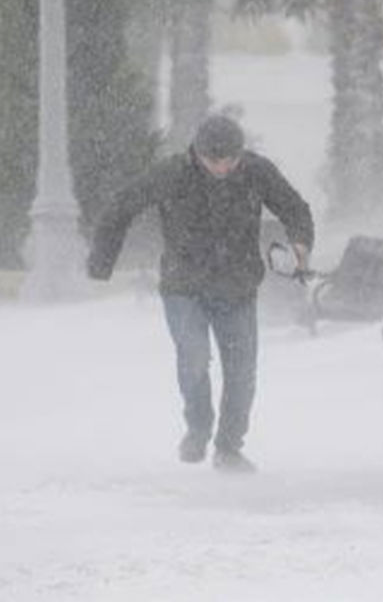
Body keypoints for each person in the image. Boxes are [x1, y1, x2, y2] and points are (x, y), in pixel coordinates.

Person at [87, 114, 314, 473]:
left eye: (230, 160)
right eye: (214, 160)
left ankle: (228, 448)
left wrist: (300, 243)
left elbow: (295, 208)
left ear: (241, 154)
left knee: (241, 373)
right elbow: (121, 207)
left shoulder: (256, 171)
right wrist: (101, 263)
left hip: (237, 288)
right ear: (197, 153)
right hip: (184, 287)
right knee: (194, 358)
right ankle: (198, 428)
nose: (222, 168)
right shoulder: (172, 173)